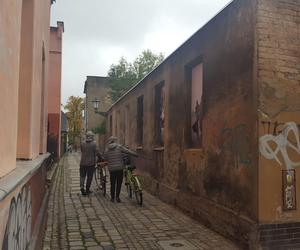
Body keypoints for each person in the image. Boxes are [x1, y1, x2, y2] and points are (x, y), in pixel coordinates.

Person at [103, 136, 137, 202]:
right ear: (115, 141)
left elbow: (105, 158)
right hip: (119, 168)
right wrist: (135, 154)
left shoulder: (107, 149)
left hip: (112, 169)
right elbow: (127, 151)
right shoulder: (119, 147)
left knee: (112, 183)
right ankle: (117, 197)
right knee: (119, 183)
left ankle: (112, 198)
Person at [80, 131, 101, 195]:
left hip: (83, 163)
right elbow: (97, 152)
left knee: (82, 176)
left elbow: (82, 151)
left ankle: (82, 188)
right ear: (92, 136)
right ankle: (87, 189)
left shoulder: (82, 143)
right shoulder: (94, 144)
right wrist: (101, 157)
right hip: (91, 163)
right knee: (89, 177)